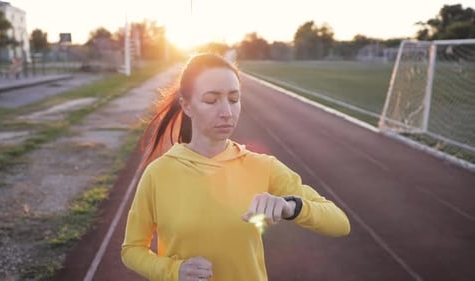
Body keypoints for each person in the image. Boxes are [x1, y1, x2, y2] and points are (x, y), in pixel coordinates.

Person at [121, 53, 350, 281]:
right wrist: (173, 271)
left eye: (234, 99)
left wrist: (291, 206)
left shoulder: (263, 166)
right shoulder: (158, 174)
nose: (227, 112)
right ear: (187, 106)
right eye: (211, 100)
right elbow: (132, 249)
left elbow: (339, 223)